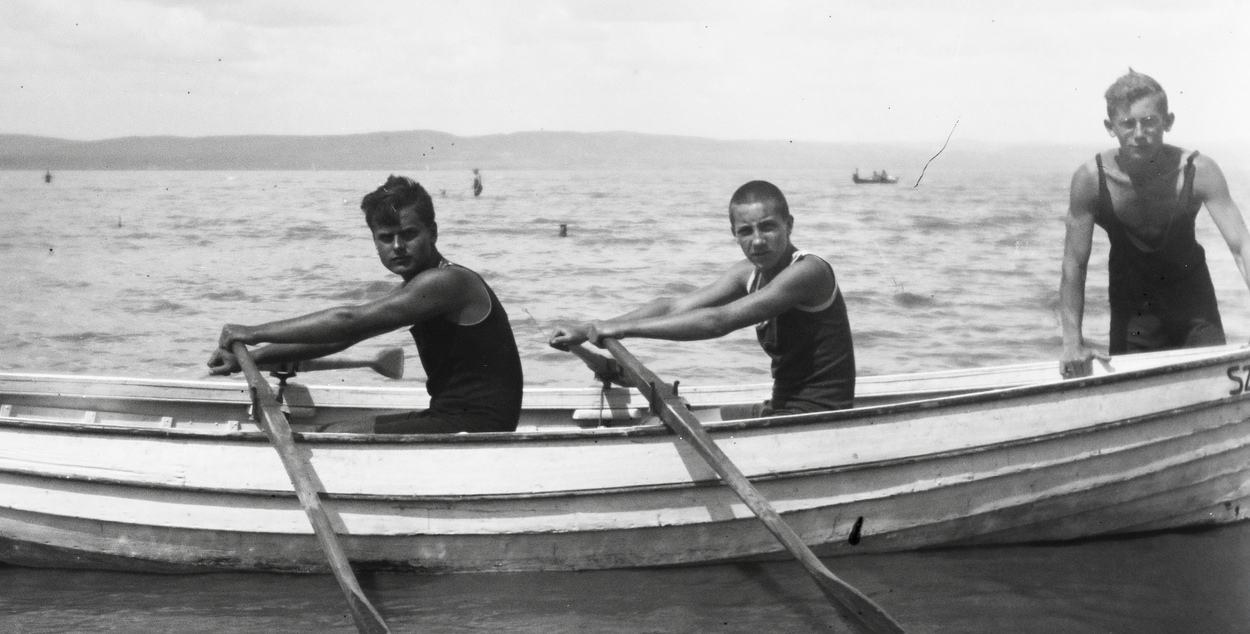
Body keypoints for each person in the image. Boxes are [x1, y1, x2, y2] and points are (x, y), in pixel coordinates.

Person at [208, 175, 524, 433]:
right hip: (455, 417)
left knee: (333, 435)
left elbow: (347, 320)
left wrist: (250, 333)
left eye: (408, 234)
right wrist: (252, 357)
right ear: (374, 241)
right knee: (333, 430)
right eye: (386, 238)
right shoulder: (419, 286)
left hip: (478, 426)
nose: (398, 246)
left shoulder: (448, 281)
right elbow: (341, 337)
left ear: (433, 233)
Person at [549, 180, 855, 415]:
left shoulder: (808, 271)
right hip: (781, 408)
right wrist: (590, 329)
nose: (758, 240)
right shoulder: (748, 273)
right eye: (746, 231)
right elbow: (674, 305)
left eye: (768, 227)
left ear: (789, 225)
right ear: (734, 234)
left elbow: (717, 322)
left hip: (819, 415)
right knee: (666, 423)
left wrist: (622, 330)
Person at [1059, 70, 1250, 377]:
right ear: (1111, 127)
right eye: (1127, 123)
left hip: (1196, 316)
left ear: (1168, 122)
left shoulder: (1198, 170)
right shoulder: (1091, 180)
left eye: (1149, 121)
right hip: (1133, 321)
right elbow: (1074, 265)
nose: (1139, 133)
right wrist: (1072, 343)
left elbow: (1242, 245)